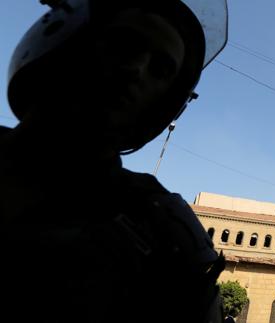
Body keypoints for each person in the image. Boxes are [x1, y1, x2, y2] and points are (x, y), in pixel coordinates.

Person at [0, 0, 228, 322]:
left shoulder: (161, 234)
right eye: (125, 45)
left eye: (159, 69)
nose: (135, 70)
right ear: (69, 44)